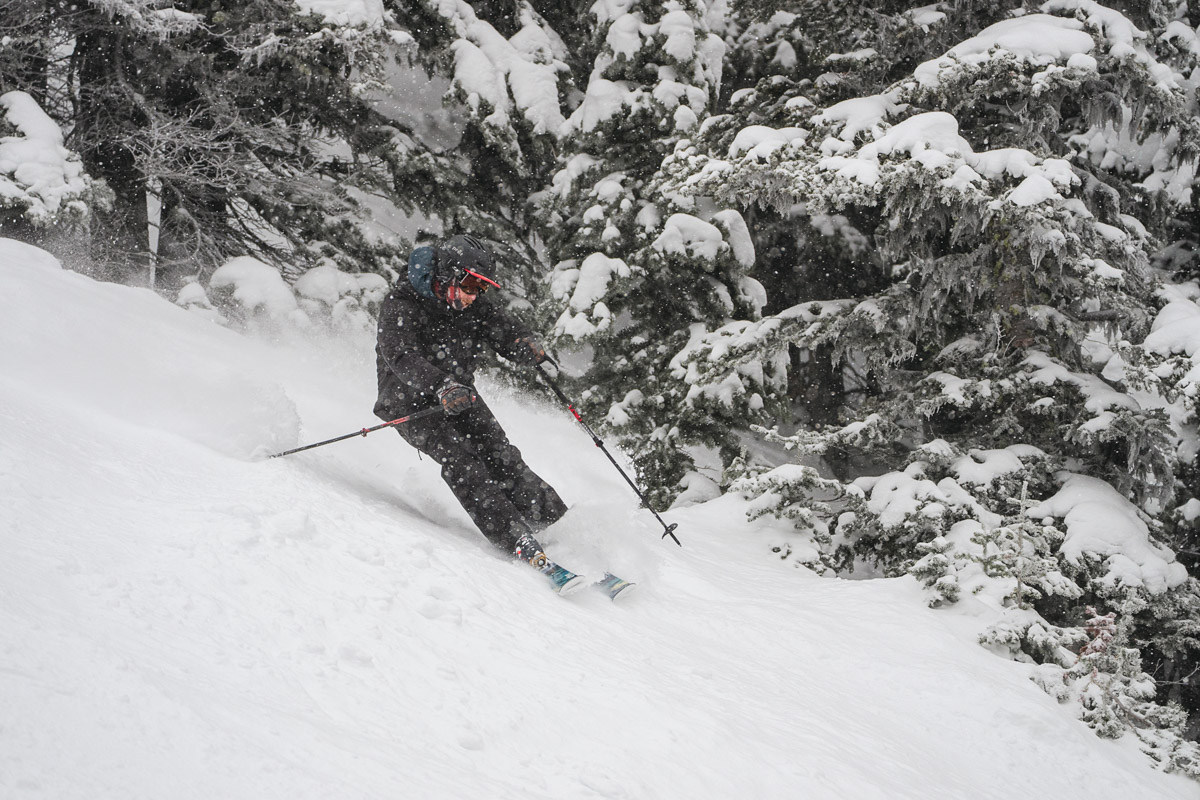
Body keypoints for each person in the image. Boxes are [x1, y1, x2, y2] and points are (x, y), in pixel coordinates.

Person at [374, 234, 567, 570]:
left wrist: (524, 343)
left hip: (458, 394)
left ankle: (556, 522)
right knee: (463, 460)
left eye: (481, 288)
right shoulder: (400, 304)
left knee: (499, 451)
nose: (472, 295)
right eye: (468, 284)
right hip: (409, 403)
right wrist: (439, 383)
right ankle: (515, 538)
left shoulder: (471, 306)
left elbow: (501, 327)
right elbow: (401, 355)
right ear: (447, 274)